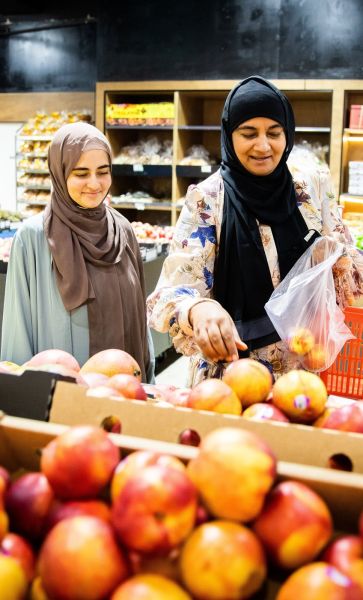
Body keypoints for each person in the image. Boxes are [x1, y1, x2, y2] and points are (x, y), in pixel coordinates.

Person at [147, 75, 363, 387]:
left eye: (274, 133)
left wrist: (336, 260)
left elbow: (348, 261)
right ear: (228, 135)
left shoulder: (311, 185)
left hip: (306, 371)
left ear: (287, 134)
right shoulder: (206, 199)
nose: (263, 146)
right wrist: (198, 307)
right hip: (232, 374)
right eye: (248, 133)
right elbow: (169, 293)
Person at [1, 121, 154, 382]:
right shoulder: (34, 237)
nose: (94, 184)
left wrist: (147, 382)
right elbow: (19, 326)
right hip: (60, 395)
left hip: (123, 388)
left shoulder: (123, 231)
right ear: (60, 174)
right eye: (81, 173)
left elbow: (140, 318)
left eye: (103, 171)